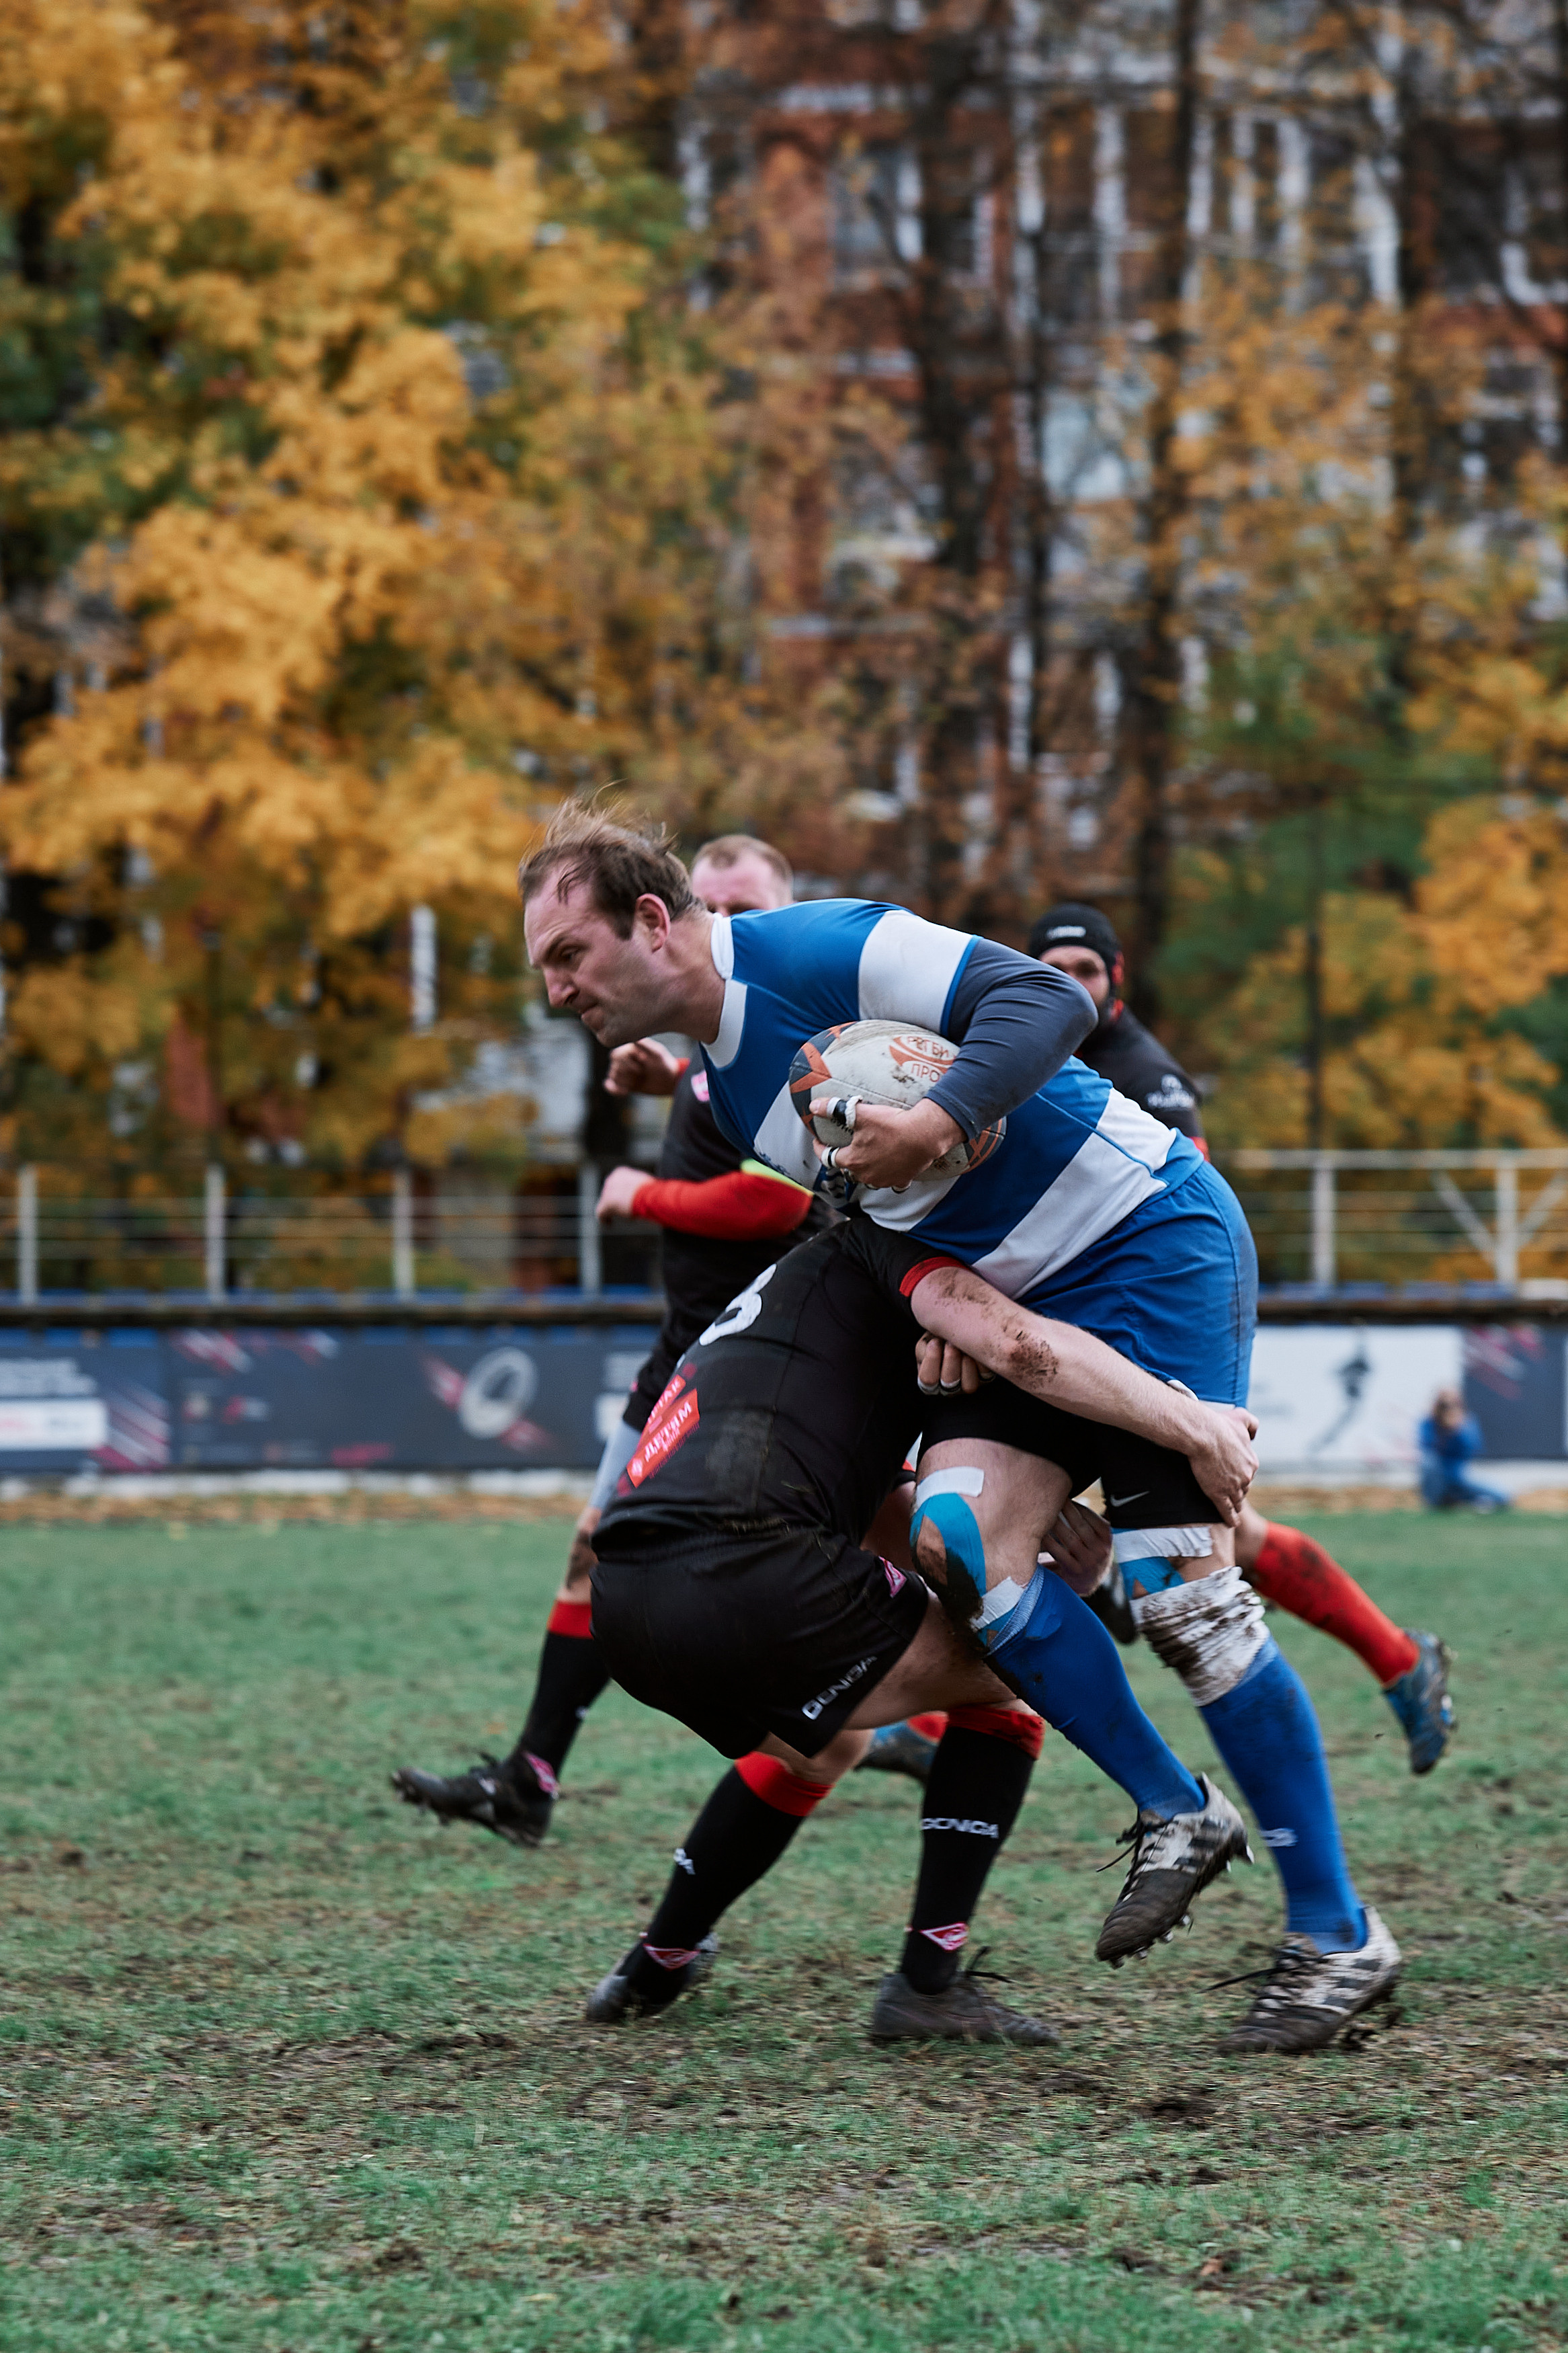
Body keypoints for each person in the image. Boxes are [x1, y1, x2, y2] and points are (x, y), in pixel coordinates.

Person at [520, 809, 1403, 2053]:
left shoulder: (828, 946)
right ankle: (1174, 1810)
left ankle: (1333, 1937)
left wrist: (939, 1121)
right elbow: (884, 1229)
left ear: (651, 920)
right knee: (953, 1543)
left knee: (1187, 1607)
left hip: (1146, 1243)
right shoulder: (727, 1089)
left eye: (566, 954)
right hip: (1019, 1308)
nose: (556, 990)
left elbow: (1042, 1000)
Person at [585, 1209, 1261, 2045]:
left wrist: (1053, 1574)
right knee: (1012, 1660)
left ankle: (661, 1957)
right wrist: (1188, 1430)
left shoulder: (800, 1295)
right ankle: (936, 1977)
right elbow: (1026, 1349)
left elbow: (867, 1506)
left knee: (823, 1743)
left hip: (625, 1601)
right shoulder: (912, 1266)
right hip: (745, 1573)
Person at [393, 836, 826, 1847]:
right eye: (705, 899)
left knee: (744, 1579)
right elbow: (725, 1117)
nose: (717, 917)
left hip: (754, 1360)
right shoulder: (705, 1042)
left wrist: (647, 1192)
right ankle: (532, 1776)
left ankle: (905, 1721)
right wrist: (666, 1079)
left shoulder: (792, 1026)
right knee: (599, 1553)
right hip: (687, 1347)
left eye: (742, 904)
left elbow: (777, 1197)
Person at [1031, 901, 1456, 1775]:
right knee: (1231, 1539)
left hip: (1147, 1326)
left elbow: (1169, 1224)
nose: (1070, 985)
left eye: (1087, 970)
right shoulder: (1035, 1054)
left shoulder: (1145, 1075)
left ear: (1116, 981)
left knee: (1200, 1548)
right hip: (1081, 1328)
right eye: (1055, 969)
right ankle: (1401, 1662)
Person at [1418, 1388, 1509, 1513]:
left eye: (1453, 1404)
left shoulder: (1466, 1423)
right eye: (1444, 1405)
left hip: (1460, 1475)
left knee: (1502, 1496)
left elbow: (1473, 1449)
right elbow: (1427, 1448)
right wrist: (1444, 1431)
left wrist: (1457, 1431)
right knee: (1428, 1463)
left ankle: (1460, 1500)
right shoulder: (1428, 1423)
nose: (1449, 1409)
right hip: (1438, 1475)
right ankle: (1437, 1502)